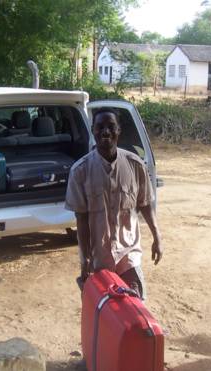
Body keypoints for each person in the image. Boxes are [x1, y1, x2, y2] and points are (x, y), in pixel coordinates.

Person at [65, 107, 163, 299]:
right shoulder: (80, 172)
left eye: (111, 127)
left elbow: (145, 204)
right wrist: (84, 257)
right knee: (105, 315)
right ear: (93, 130)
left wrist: (157, 237)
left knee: (135, 308)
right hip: (98, 260)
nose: (106, 132)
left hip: (129, 256)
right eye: (100, 127)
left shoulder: (135, 166)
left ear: (119, 130)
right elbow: (82, 219)